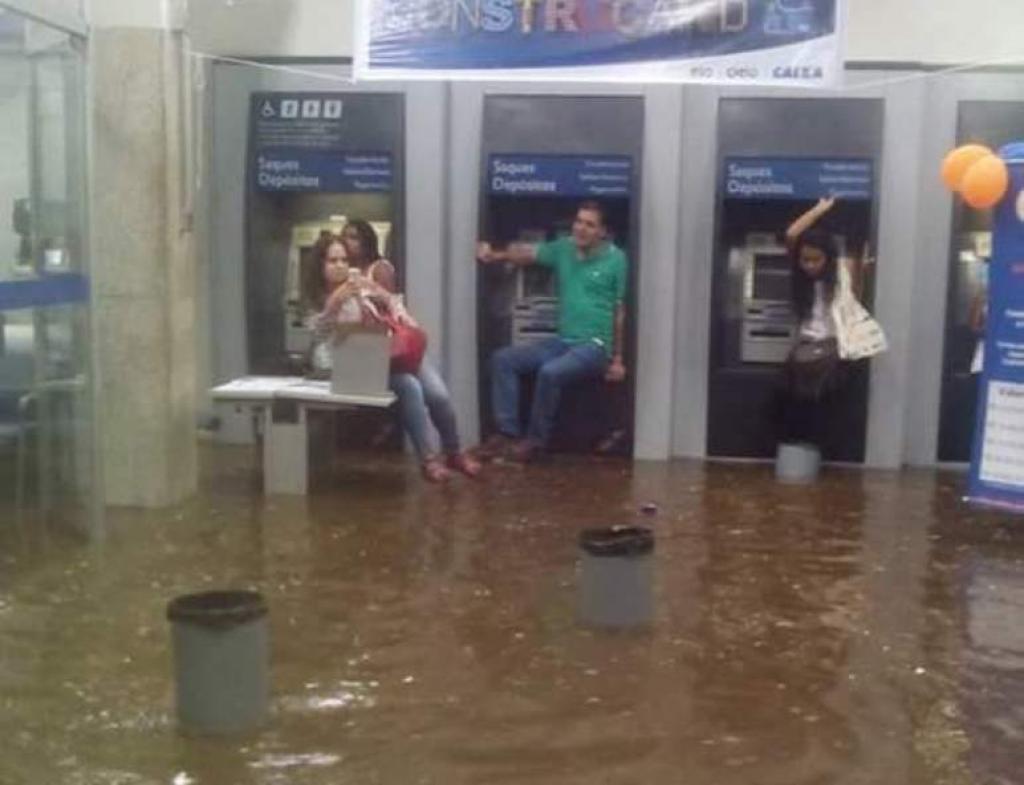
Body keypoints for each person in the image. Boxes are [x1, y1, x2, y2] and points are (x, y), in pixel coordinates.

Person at [309, 229, 480, 482]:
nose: (340, 266)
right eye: (333, 261)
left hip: (393, 352)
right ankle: (429, 460)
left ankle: (454, 452)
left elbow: (392, 301)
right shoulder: (317, 299)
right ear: (320, 265)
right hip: (358, 368)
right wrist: (333, 304)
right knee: (410, 387)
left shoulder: (360, 285)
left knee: (439, 395)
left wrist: (399, 313)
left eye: (344, 260)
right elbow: (317, 336)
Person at [476, 200, 628, 462]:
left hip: (594, 346)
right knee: (503, 360)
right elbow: (527, 254)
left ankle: (534, 443)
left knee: (550, 372)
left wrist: (617, 359)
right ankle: (507, 434)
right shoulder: (563, 249)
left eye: (589, 224)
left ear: (602, 231)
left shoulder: (616, 259)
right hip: (563, 341)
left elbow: (619, 310)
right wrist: (494, 255)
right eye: (579, 222)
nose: (581, 228)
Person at [777, 196, 886, 446]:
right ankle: (800, 445)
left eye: (816, 260)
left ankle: (815, 447)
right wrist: (818, 210)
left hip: (834, 347)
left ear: (829, 259)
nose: (810, 265)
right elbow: (793, 234)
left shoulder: (841, 274)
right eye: (805, 260)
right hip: (807, 346)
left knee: (823, 401)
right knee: (793, 397)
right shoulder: (801, 277)